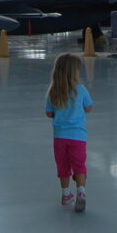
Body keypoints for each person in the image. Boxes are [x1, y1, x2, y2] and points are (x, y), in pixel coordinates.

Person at [45, 53, 93, 213]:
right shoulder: (81, 89)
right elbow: (89, 108)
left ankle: (66, 194)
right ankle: (81, 191)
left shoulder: (53, 91)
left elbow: (49, 113)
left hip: (59, 137)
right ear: (75, 72)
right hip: (78, 136)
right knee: (79, 165)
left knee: (63, 165)